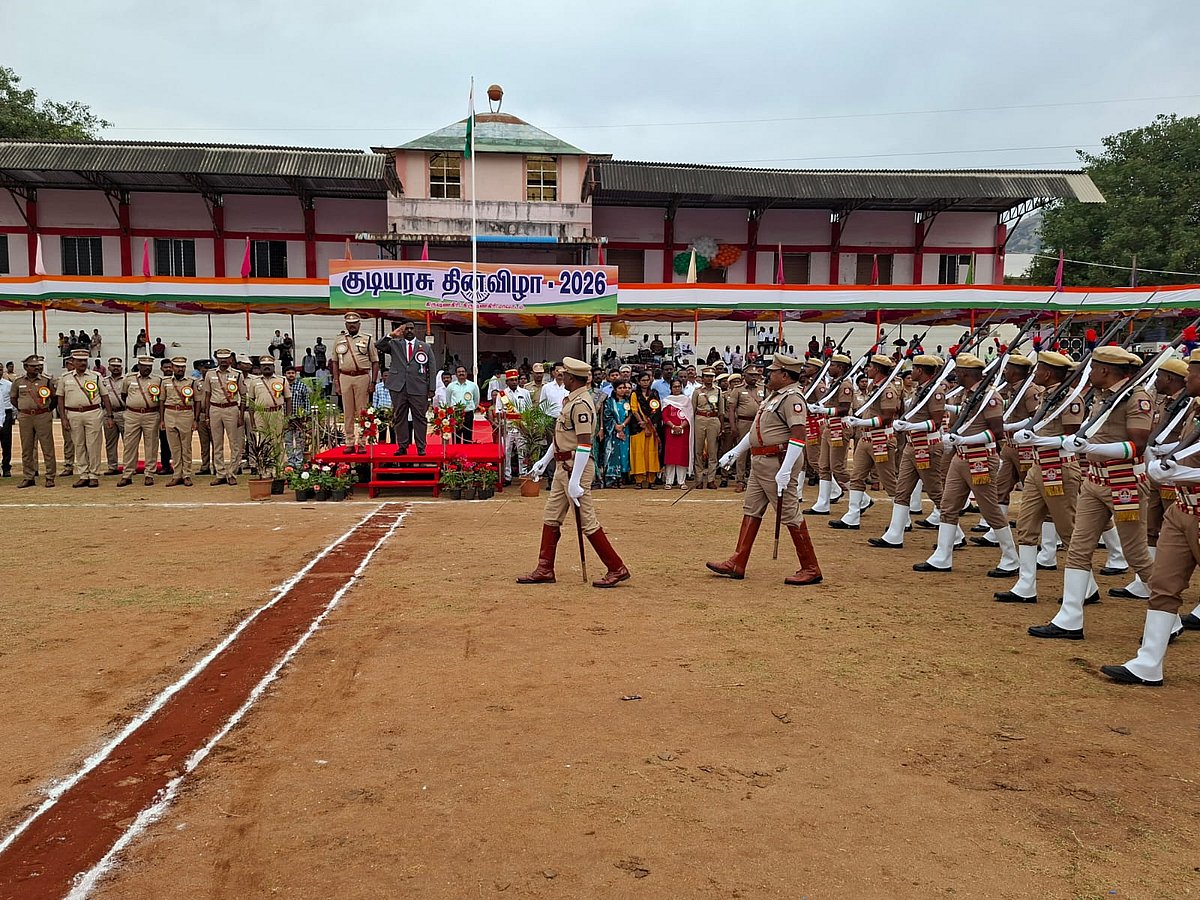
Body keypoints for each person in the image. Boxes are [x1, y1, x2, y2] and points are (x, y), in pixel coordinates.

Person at [1029, 346, 1154, 640]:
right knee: (1078, 547)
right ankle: (1070, 618)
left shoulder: (1136, 398)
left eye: (1093, 368)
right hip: (1094, 480)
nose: (1089, 373)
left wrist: (1091, 447)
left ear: (1105, 370)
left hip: (1124, 481)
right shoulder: (1103, 396)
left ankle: (1168, 615)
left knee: (1136, 554)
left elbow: (1138, 445)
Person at [1102, 348, 1200, 685]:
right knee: (1163, 584)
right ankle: (1148, 662)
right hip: (1182, 507)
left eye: (1194, 372)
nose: (1188, 377)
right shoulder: (1193, 408)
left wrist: (1176, 473)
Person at [706, 353, 822, 586]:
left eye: (773, 372)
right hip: (761, 461)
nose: (768, 375)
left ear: (785, 375)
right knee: (751, 509)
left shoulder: (792, 398)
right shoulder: (774, 396)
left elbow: (798, 435)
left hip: (777, 461)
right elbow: (756, 431)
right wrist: (735, 452)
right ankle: (738, 561)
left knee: (789, 513)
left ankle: (811, 567)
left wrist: (786, 470)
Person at [518, 357, 630, 588]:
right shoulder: (570, 401)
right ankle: (545, 568)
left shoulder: (581, 405)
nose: (562, 377)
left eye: (565, 375)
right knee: (551, 516)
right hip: (563, 466)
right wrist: (544, 461)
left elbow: (584, 443)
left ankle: (616, 567)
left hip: (575, 467)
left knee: (587, 521)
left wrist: (576, 480)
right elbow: (561, 437)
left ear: (572, 378)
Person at [913, 353, 1018, 576]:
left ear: (966, 374)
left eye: (958, 373)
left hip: (980, 457)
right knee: (949, 506)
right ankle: (942, 556)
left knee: (990, 509)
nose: (956, 376)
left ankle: (1010, 557)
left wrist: (964, 440)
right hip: (961, 457)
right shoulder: (968, 394)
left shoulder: (990, 397)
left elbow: (997, 431)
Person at [995, 350, 1084, 602]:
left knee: (1068, 530)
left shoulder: (1070, 398)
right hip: (1038, 466)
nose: (1035, 373)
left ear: (1047, 373)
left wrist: (1037, 439)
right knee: (1026, 525)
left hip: (1059, 467)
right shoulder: (1046, 395)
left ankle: (1087, 587)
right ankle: (1026, 585)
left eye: (1040, 369)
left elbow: (1072, 438)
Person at [872, 354, 947, 548]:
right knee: (902, 490)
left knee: (935, 492)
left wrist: (909, 426)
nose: (911, 372)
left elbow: (936, 422)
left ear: (920, 371)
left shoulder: (935, 391)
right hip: (912, 445)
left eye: (913, 369)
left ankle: (955, 535)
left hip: (927, 446)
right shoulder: (921, 389)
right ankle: (894, 534)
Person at [830, 354, 902, 530]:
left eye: (870, 367)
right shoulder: (873, 386)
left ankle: (903, 518)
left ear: (877, 369)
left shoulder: (888, 389)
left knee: (888, 480)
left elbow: (887, 417)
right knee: (857, 477)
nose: (867, 369)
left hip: (881, 438)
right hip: (866, 437)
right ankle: (852, 516)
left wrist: (862, 422)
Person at [376, 318, 435, 456]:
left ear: (415, 330)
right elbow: (378, 345)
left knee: (420, 418)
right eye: (406, 328)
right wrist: (392, 334)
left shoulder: (425, 347)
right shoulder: (395, 344)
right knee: (399, 417)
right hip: (398, 387)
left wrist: (431, 388)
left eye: (411, 328)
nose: (409, 331)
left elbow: (431, 368)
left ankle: (421, 447)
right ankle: (402, 446)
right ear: (402, 330)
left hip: (418, 387)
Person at [58, 349, 113, 488]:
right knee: (79, 444)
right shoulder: (65, 377)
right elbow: (60, 398)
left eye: (84, 360)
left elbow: (105, 396)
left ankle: (93, 475)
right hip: (73, 414)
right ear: (73, 362)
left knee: (93, 445)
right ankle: (83, 474)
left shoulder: (96, 376)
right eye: (79, 360)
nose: (82, 363)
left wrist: (109, 415)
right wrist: (63, 418)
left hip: (92, 412)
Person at [331, 312, 379, 453]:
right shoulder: (339, 339)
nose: (352, 326)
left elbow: (375, 361)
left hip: (362, 376)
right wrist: (336, 382)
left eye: (354, 323)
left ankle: (362, 442)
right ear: (346, 325)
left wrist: (373, 382)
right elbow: (334, 362)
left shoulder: (367, 339)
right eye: (349, 323)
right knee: (348, 412)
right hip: (345, 376)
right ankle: (350, 442)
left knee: (362, 411)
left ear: (359, 324)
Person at [117, 355, 162, 487]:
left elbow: (160, 398)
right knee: (130, 445)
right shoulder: (129, 379)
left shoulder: (157, 380)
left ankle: (149, 474)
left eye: (149, 366)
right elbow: (124, 395)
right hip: (132, 414)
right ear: (139, 366)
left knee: (151, 445)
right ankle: (127, 474)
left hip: (151, 415)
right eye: (144, 366)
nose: (147, 368)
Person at [11, 355, 55, 487]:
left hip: (42, 416)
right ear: (26, 367)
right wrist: (23, 409)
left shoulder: (46, 381)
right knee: (27, 448)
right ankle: (28, 476)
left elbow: (54, 398)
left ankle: (50, 476)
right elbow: (13, 398)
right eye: (33, 366)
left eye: (38, 366)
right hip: (25, 417)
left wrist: (47, 410)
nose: (37, 368)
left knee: (47, 447)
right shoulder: (18, 382)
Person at [203, 348, 245, 486]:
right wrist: (207, 416)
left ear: (230, 359)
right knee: (217, 443)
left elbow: (243, 395)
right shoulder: (210, 374)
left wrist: (240, 414)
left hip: (231, 408)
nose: (223, 361)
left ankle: (232, 473)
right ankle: (220, 473)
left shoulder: (237, 374)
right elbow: (207, 395)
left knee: (235, 443)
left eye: (226, 358)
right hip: (215, 408)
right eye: (220, 358)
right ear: (217, 359)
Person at [728, 364, 765, 492]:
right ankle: (740, 480)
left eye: (756, 375)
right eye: (751, 375)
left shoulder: (763, 388)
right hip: (743, 422)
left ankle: (756, 480)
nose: (754, 377)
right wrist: (733, 427)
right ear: (745, 376)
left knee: (758, 451)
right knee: (742, 453)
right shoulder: (738, 389)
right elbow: (731, 409)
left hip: (759, 423)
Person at [161, 356, 198, 486]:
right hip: (170, 413)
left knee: (186, 447)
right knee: (174, 447)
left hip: (186, 413)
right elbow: (161, 400)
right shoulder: (165, 382)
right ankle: (177, 474)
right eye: (177, 367)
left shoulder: (191, 382)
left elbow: (197, 401)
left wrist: (195, 419)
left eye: (182, 367)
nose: (180, 369)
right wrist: (162, 419)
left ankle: (186, 474)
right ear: (172, 367)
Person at [493, 369, 531, 481]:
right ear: (507, 382)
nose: (514, 382)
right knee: (507, 452)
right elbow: (498, 411)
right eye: (511, 380)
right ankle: (507, 476)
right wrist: (501, 425)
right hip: (508, 427)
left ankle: (523, 474)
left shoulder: (525, 393)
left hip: (521, 426)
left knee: (522, 451)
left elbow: (529, 410)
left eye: (515, 380)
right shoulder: (502, 394)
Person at [629, 371, 663, 489]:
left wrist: (649, 425)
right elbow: (634, 410)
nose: (645, 382)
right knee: (638, 453)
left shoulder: (654, 393)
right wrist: (642, 424)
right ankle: (639, 480)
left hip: (652, 427)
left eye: (647, 380)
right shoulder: (634, 394)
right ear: (638, 382)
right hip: (638, 428)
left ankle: (651, 480)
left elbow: (657, 409)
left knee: (651, 453)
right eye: (643, 380)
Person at [692, 367, 722, 489]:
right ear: (703, 378)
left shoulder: (718, 391)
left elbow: (721, 410)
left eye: (711, 376)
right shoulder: (697, 391)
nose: (709, 379)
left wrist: (721, 427)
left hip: (713, 419)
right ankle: (699, 479)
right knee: (698, 450)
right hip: (700, 418)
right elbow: (693, 408)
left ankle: (711, 479)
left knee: (712, 450)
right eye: (707, 376)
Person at [661, 380, 693, 488]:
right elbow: (664, 416)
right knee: (670, 456)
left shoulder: (686, 400)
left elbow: (689, 416)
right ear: (671, 388)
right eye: (675, 387)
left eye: (679, 386)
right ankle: (668, 481)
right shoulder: (666, 400)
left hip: (684, 432)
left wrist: (681, 426)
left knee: (682, 456)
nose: (677, 388)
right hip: (670, 432)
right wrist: (673, 426)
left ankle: (681, 481)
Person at [601, 379, 632, 487]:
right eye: (620, 388)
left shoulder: (628, 402)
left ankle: (623, 477)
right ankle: (612, 478)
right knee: (613, 454)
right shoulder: (609, 402)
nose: (623, 390)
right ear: (614, 389)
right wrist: (616, 427)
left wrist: (622, 426)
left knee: (624, 453)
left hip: (625, 431)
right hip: (612, 433)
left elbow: (630, 415)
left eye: (624, 388)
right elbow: (607, 416)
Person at [100, 356, 126, 475]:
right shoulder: (103, 381)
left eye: (118, 366)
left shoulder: (126, 380)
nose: (116, 368)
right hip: (108, 414)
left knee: (128, 442)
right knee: (110, 442)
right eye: (113, 366)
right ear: (109, 367)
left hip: (124, 413)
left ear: (122, 367)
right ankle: (112, 466)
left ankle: (129, 466)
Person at [446, 366, 479, 443]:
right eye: (459, 372)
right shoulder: (451, 386)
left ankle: (467, 450)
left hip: (468, 413)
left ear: (466, 373)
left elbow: (476, 400)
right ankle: (456, 450)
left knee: (468, 436)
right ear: (456, 374)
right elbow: (448, 400)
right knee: (456, 437)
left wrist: (471, 408)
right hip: (455, 414)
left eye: (463, 371)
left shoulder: (473, 385)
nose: (461, 373)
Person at [0, 363, 11, 477]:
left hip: (7, 414)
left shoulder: (8, 385)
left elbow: (13, 399)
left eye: (0, 370)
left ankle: (6, 467)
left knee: (6, 442)